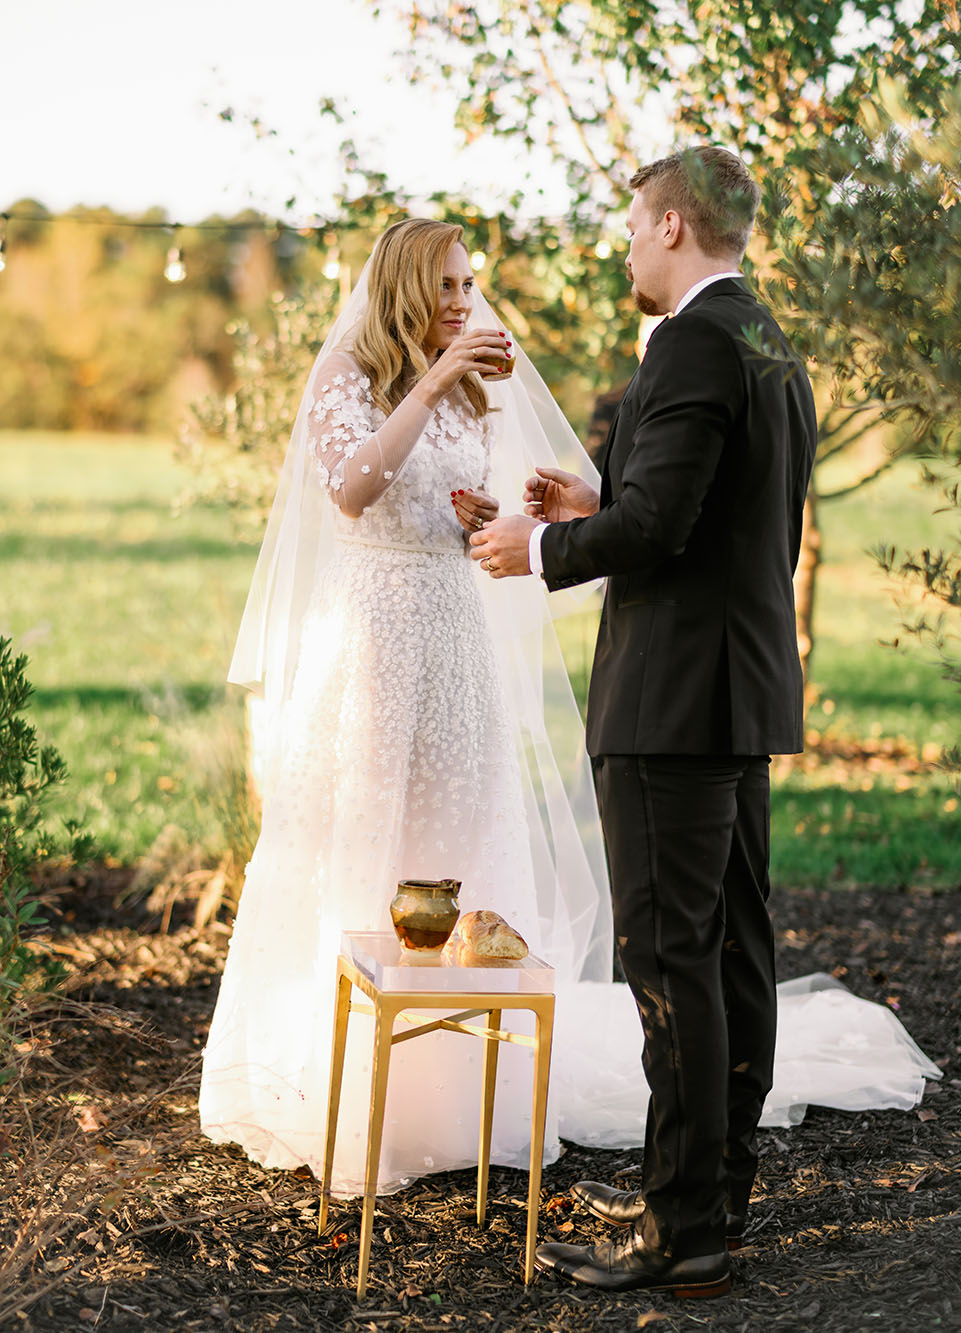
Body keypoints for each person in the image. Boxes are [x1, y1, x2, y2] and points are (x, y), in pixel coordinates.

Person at [198, 218, 614, 1196]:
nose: (465, 304)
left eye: (470, 285)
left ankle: (464, 1093)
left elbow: (452, 504)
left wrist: (487, 517)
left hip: (455, 634)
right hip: (373, 635)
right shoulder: (349, 371)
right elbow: (351, 488)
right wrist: (426, 383)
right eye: (448, 287)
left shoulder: (475, 387)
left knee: (457, 837)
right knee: (360, 839)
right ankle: (345, 1091)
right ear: (404, 291)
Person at [469, 146, 817, 1298]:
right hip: (736, 689)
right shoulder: (766, 338)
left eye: (630, 229)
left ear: (671, 225)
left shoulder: (690, 340)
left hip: (669, 702)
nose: (623, 249)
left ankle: (683, 1233)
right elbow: (702, 511)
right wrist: (596, 500)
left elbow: (663, 527)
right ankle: (711, 1191)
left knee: (671, 961)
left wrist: (541, 549)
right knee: (730, 947)